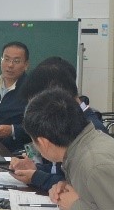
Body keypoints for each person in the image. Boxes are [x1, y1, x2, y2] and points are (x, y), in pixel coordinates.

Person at [10, 58, 107, 191]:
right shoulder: (68, 119)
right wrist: (36, 169)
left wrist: (37, 177)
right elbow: (59, 170)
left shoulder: (91, 131)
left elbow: (80, 186)